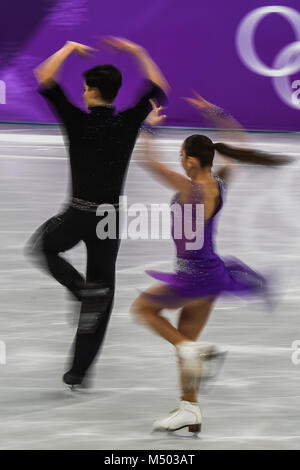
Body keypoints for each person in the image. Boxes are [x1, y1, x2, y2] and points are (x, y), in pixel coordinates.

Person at [131, 94, 289, 434]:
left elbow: (147, 162)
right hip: (212, 275)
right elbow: (241, 144)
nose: (180, 160)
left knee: (143, 310)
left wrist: (150, 127)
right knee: (184, 340)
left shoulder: (189, 190)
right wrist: (217, 113)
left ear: (189, 161)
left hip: (192, 277)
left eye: (182, 155)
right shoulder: (218, 184)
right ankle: (190, 408)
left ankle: (192, 351)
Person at [26, 37, 169, 388]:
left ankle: (79, 289)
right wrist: (138, 51)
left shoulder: (76, 121)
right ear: (114, 93)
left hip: (78, 213)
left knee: (44, 247)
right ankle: (79, 372)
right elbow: (160, 87)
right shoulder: (127, 122)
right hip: (110, 219)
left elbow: (42, 74)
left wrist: (68, 48)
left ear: (90, 91)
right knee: (102, 291)